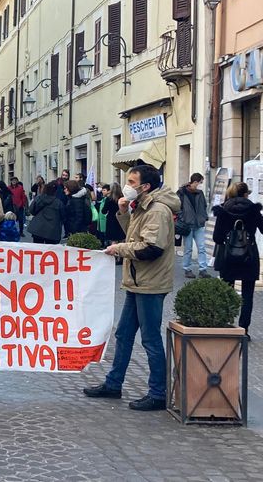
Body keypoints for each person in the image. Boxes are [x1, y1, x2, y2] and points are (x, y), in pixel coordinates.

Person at [84, 164, 180, 411]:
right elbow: (135, 236)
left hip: (149, 283)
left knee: (150, 339)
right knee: (124, 335)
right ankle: (113, 384)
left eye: (132, 181)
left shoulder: (157, 210)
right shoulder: (144, 206)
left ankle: (158, 393)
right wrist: (124, 213)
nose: (127, 185)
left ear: (145, 186)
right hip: (137, 282)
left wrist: (119, 249)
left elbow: (150, 248)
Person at [213, 182, 263, 339]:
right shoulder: (253, 210)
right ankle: (243, 329)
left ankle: (226, 326)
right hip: (249, 256)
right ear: (246, 194)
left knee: (226, 292)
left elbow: (217, 238)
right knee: (247, 295)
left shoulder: (223, 209)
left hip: (227, 257)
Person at [177, 173, 210, 278]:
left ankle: (203, 269)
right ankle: (187, 269)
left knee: (201, 247)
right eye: (200, 182)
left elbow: (204, 206)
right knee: (188, 248)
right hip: (187, 224)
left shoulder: (200, 193)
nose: (201, 185)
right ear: (195, 182)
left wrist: (204, 217)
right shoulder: (181, 192)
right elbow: (177, 207)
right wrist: (183, 219)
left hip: (199, 224)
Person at [102, 183, 126, 256]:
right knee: (121, 238)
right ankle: (121, 255)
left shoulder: (109, 199)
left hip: (111, 220)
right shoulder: (123, 198)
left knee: (113, 239)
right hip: (121, 219)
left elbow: (104, 211)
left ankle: (114, 256)